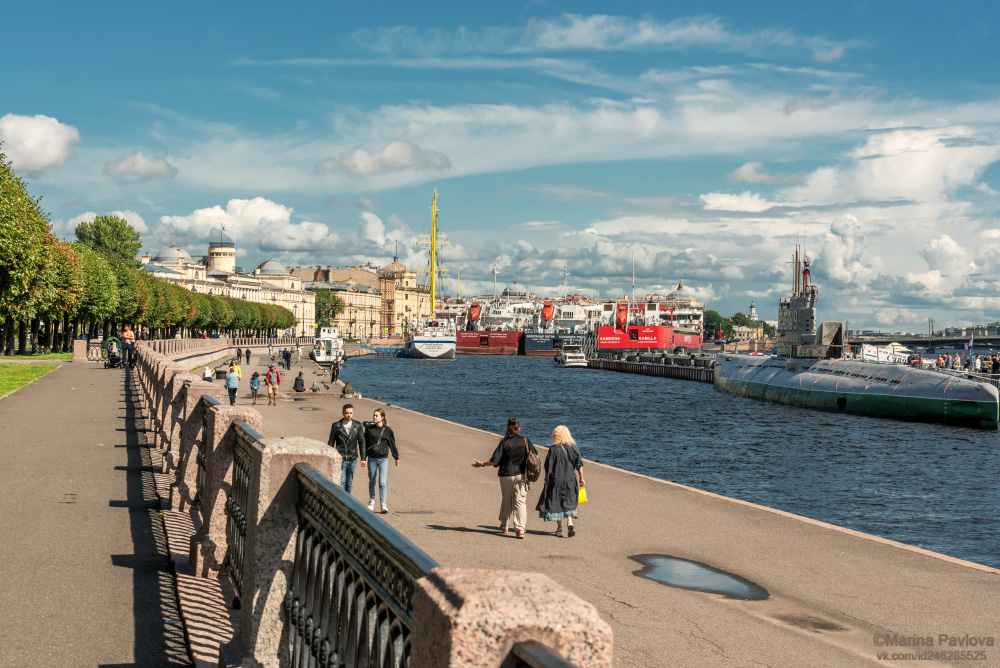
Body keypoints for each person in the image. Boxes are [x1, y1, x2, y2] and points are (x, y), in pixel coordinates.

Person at [472, 418, 538, 539]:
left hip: (506, 475)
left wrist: (481, 464)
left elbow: (494, 461)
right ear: (518, 429)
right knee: (520, 501)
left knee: (507, 500)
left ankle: (505, 524)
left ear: (507, 429)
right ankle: (520, 529)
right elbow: (535, 455)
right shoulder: (525, 441)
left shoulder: (504, 443)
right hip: (522, 475)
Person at [535, 426, 585, 538]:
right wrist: (582, 478)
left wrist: (546, 478)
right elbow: (579, 464)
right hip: (570, 479)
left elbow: (547, 466)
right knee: (568, 500)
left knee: (556, 502)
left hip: (555, 479)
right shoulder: (574, 447)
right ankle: (570, 521)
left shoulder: (553, 449)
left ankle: (559, 528)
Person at [363, 408, 399, 513]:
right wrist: (363, 458)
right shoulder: (369, 429)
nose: (374, 417)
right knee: (372, 481)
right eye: (373, 415)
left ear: (382, 417)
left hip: (383, 459)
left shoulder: (388, 430)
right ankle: (372, 501)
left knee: (382, 483)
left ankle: (383, 504)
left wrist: (396, 457)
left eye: (376, 416)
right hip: (372, 459)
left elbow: (392, 444)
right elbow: (365, 444)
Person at [328, 404, 367, 494]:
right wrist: (329, 457)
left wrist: (363, 458)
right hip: (340, 458)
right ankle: (342, 502)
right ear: (342, 413)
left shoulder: (357, 425)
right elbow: (331, 443)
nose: (349, 415)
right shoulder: (336, 426)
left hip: (352, 459)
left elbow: (362, 442)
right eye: (347, 413)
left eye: (350, 413)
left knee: (349, 483)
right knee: (341, 482)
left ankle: (348, 501)